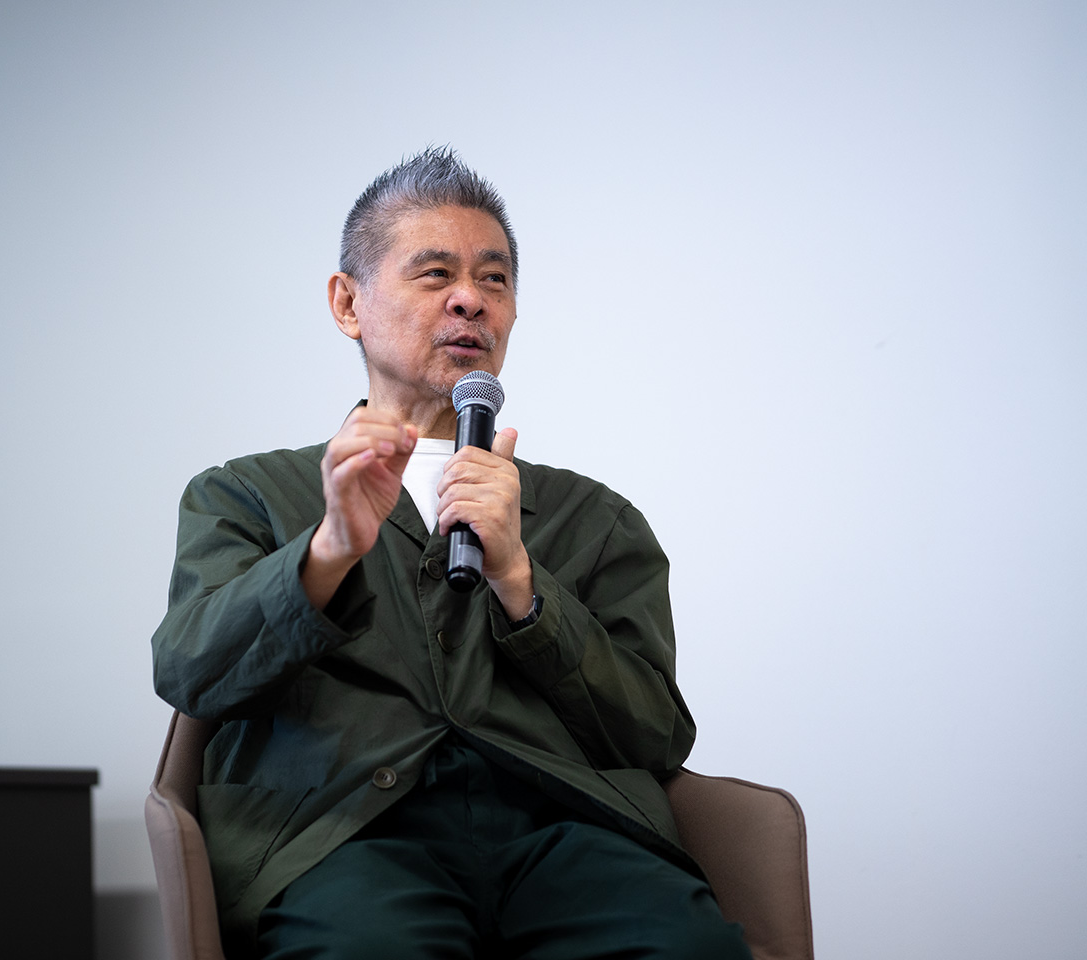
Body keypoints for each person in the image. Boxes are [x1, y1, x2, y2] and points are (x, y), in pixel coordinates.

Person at [151, 146, 750, 959]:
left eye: (494, 279)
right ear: (348, 302)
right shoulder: (247, 494)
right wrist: (327, 552)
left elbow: (654, 738)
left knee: (686, 948)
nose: (470, 299)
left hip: (567, 834)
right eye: (435, 274)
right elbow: (191, 672)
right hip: (344, 836)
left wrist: (521, 581)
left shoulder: (595, 519)